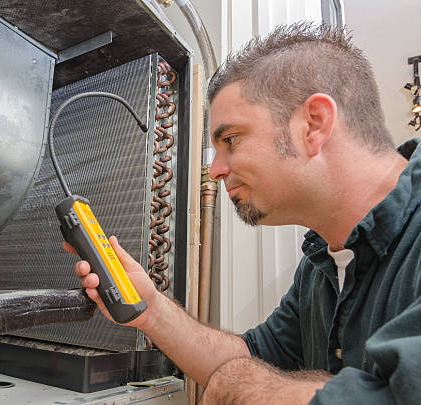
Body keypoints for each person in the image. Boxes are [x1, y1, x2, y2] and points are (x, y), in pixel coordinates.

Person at [64, 22, 421, 404]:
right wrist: (151, 311)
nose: (215, 169)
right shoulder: (322, 264)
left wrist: (244, 386)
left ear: (314, 124)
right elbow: (255, 357)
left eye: (230, 139)